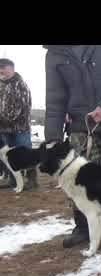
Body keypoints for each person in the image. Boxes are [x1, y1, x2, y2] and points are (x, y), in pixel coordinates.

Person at [44, 45, 101, 248]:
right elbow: (55, 98)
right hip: (81, 123)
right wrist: (52, 137)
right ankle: (82, 226)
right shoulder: (54, 53)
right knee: (78, 176)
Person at [0, 58, 38, 190]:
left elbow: (23, 107)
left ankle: (31, 180)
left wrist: (4, 119)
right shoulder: (1, 85)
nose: (1, 70)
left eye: (3, 67)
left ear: (11, 68)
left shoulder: (20, 84)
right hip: (5, 129)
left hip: (20, 128)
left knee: (25, 154)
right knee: (9, 157)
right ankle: (13, 180)